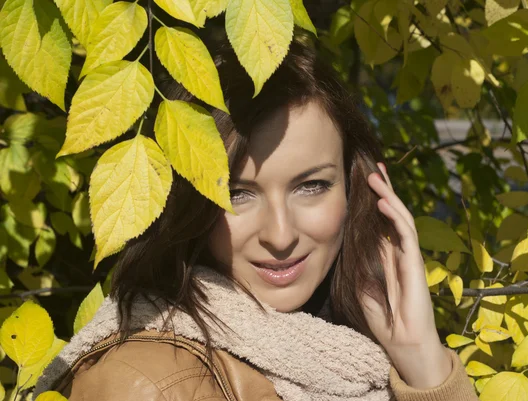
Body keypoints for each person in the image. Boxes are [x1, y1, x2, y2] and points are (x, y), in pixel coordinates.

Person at [34, 36, 479, 401]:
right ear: (186, 203)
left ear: (356, 187)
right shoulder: (154, 386)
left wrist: (424, 363)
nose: (281, 236)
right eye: (237, 194)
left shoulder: (355, 357)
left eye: (312, 186)